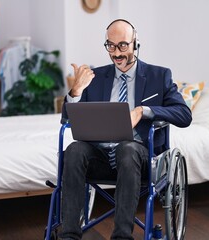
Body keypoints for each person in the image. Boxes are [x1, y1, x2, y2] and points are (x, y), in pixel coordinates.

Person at [59, 19, 192, 240]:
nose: (117, 53)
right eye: (110, 46)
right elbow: (66, 119)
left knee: (127, 149)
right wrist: (76, 92)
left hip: (137, 158)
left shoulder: (159, 76)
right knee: (74, 149)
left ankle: (121, 237)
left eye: (123, 45)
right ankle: (69, 236)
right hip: (99, 156)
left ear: (136, 43)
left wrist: (143, 111)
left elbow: (184, 115)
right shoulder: (96, 76)